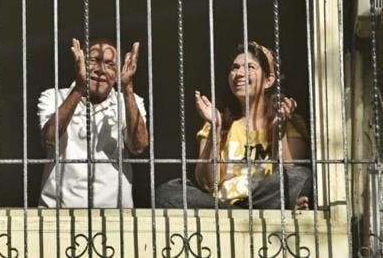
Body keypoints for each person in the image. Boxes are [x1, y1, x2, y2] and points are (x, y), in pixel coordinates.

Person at [156, 42, 312, 210]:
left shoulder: (289, 122)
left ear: (269, 80)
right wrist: (215, 128)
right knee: (167, 192)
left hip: (263, 199)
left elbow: (288, 178)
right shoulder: (219, 121)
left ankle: (244, 211)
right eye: (235, 68)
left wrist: (278, 132)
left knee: (301, 175)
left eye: (250, 67)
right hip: (221, 206)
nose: (239, 73)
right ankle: (239, 213)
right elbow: (208, 183)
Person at [38, 38, 149, 208]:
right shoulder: (53, 97)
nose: (101, 70)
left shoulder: (131, 102)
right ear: (80, 62)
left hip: (115, 216)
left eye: (110, 65)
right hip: (58, 214)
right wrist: (80, 88)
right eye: (94, 61)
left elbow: (139, 146)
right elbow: (49, 138)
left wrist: (127, 89)